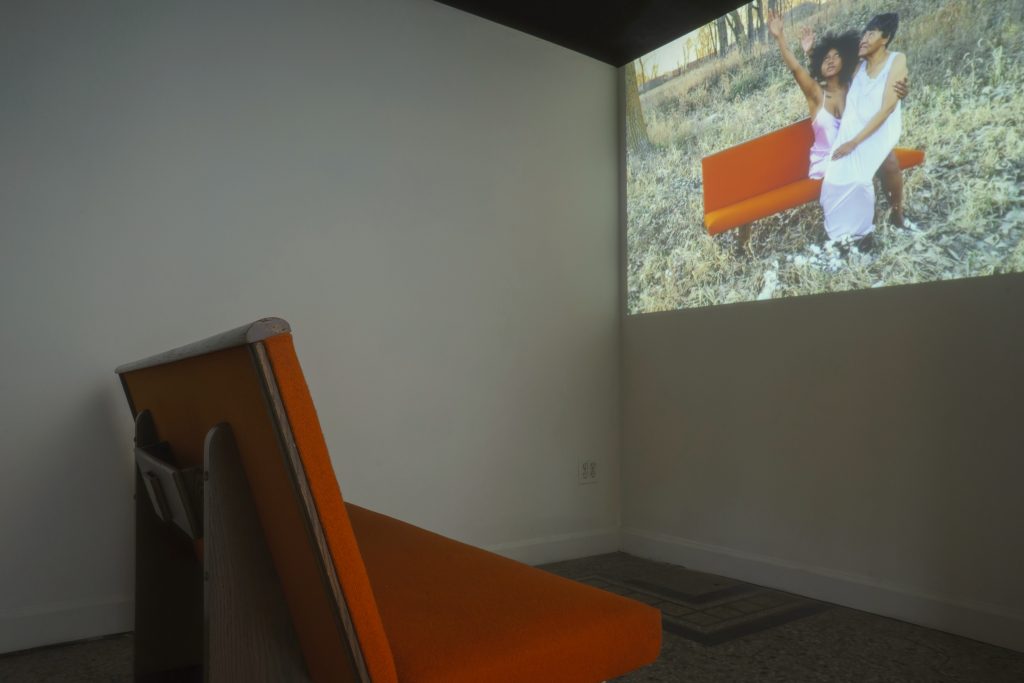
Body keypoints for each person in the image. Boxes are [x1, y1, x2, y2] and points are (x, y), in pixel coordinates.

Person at [821, 13, 908, 245]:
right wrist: (811, 52)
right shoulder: (857, 67)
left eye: (871, 33)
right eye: (863, 34)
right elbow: (827, 71)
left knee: (873, 170)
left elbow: (887, 108)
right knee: (836, 175)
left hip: (880, 129)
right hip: (853, 130)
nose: (864, 38)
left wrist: (855, 142)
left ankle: (893, 216)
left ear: (885, 38)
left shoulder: (896, 60)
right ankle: (845, 234)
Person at [768, 11, 860, 179]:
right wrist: (779, 36)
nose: (831, 60)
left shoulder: (852, 87)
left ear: (844, 60)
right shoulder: (816, 94)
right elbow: (796, 68)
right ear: (819, 65)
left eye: (836, 56)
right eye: (826, 59)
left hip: (850, 158)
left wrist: (811, 52)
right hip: (825, 166)